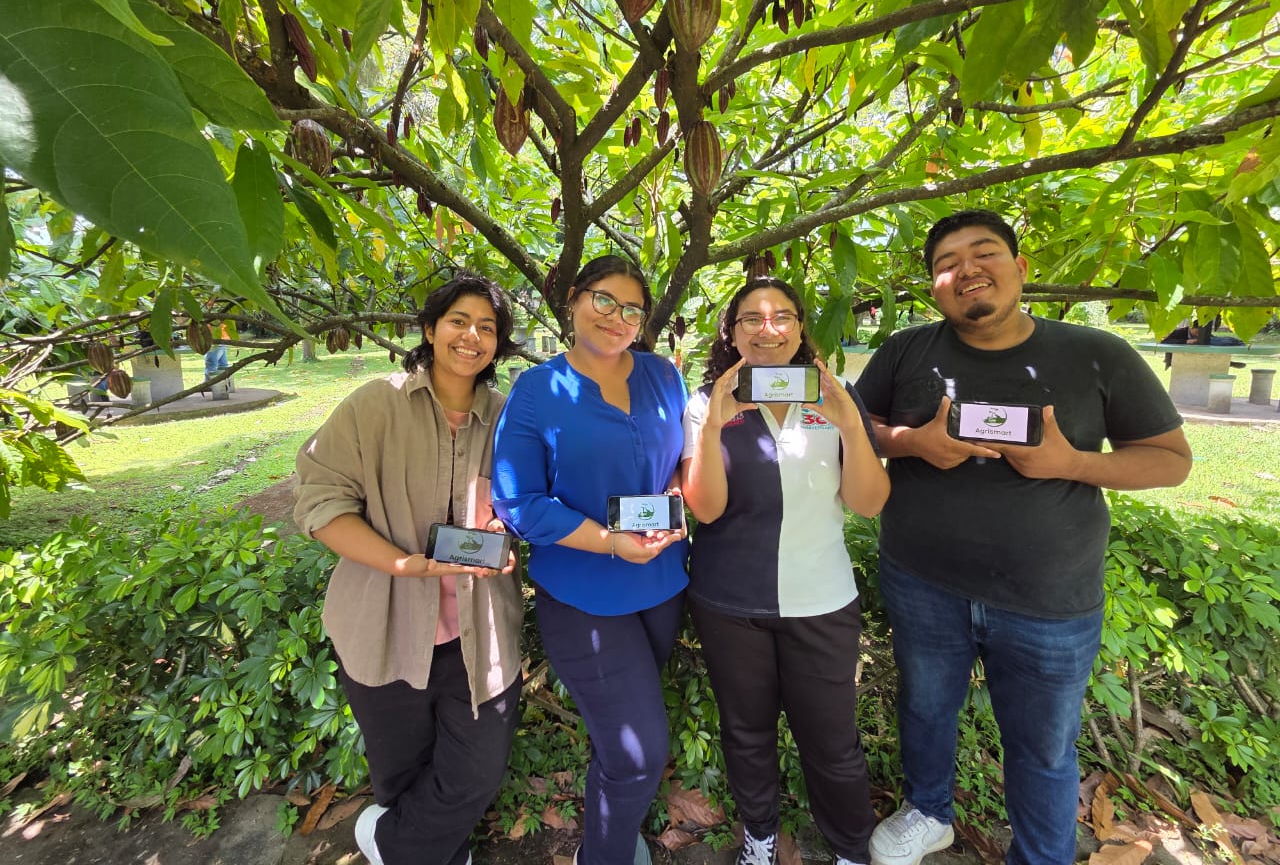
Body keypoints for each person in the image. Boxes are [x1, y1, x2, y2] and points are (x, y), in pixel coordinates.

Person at [854, 210, 1192, 865]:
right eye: (948, 262)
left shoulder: (1095, 354)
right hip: (923, 582)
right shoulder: (906, 350)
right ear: (933, 286)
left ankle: (1041, 855)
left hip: (1048, 598)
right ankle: (929, 811)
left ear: (1021, 269)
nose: (967, 269)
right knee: (925, 710)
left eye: (984, 253)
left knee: (1042, 747)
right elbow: (855, 425)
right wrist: (911, 442)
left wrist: (1073, 464)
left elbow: (1170, 459)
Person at [293, 273, 523, 865]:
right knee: (399, 773)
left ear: (498, 344)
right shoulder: (375, 404)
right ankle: (440, 854)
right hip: (383, 628)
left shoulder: (507, 417)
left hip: (481, 635)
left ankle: (394, 845)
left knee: (476, 770)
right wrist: (401, 563)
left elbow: (532, 500)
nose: (472, 336)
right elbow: (321, 501)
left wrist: (510, 530)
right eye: (458, 321)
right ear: (429, 329)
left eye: (488, 327)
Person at [680, 277, 890, 865]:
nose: (767, 329)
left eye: (782, 317)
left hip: (822, 599)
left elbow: (870, 502)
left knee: (832, 741)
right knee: (747, 734)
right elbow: (707, 509)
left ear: (801, 328)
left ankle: (850, 849)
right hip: (730, 602)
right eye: (751, 318)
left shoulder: (836, 396)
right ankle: (760, 837)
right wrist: (714, 425)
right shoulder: (705, 402)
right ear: (732, 330)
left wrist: (849, 423)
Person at [492, 255, 689, 865]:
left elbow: (681, 456)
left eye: (633, 310)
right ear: (574, 299)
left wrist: (680, 495)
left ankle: (615, 825)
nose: (618, 318)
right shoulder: (537, 390)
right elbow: (518, 501)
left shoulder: (662, 374)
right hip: (581, 596)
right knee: (637, 753)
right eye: (604, 300)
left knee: (623, 739)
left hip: (661, 584)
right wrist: (608, 540)